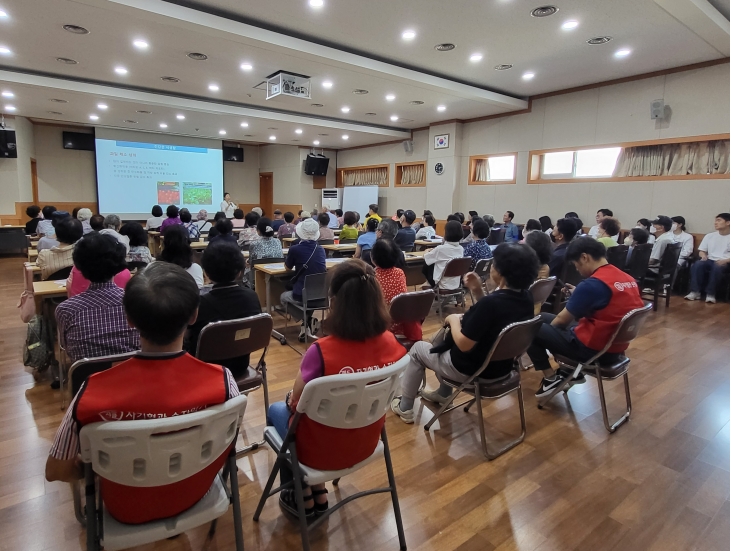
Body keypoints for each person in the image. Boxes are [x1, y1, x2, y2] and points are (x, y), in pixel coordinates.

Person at [45, 262, 241, 525]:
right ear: (194, 315)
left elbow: (56, 469)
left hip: (125, 508)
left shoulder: (93, 391)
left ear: (129, 319)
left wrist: (100, 465)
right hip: (197, 494)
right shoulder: (223, 380)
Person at [268, 259, 405, 516]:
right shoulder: (393, 344)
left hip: (318, 449)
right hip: (367, 441)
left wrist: (289, 401)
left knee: (275, 410)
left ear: (333, 302)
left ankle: (300, 493)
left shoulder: (321, 351)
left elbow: (296, 401)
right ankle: (316, 487)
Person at [391, 243, 538, 423]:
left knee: (417, 349)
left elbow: (464, 344)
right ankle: (444, 393)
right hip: (501, 369)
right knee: (437, 342)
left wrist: (453, 320)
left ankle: (405, 406)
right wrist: (477, 291)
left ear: (501, 272)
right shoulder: (526, 298)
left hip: (472, 370)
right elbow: (493, 316)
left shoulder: (491, 304)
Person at [527, 237, 643, 398]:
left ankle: (551, 377)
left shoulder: (592, 285)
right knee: (543, 316)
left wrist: (547, 336)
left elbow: (561, 321)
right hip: (614, 348)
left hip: (592, 352)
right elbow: (610, 307)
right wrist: (578, 297)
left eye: (576, 265)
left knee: (530, 325)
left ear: (584, 257)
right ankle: (570, 372)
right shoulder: (627, 278)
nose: (578, 270)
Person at [56, 232, 140, 363]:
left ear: (78, 265)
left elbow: (66, 347)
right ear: (119, 264)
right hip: (131, 377)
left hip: (87, 379)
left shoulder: (66, 309)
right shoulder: (137, 302)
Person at [185, 241, 262, 377]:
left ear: (206, 273)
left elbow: (186, 337)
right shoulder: (252, 296)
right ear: (239, 272)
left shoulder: (199, 304)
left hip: (204, 369)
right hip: (240, 365)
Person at [281, 218, 327, 342]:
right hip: (321, 295)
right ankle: (307, 323)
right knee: (309, 296)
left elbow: (287, 268)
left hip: (302, 293)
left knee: (283, 297)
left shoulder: (295, 249)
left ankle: (306, 321)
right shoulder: (321, 249)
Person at [371, 239, 422, 341]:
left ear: (373, 258)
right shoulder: (400, 273)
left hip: (379, 328)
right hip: (402, 325)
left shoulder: (371, 277)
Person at [685, 213, 730, 303]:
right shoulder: (710, 236)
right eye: (715, 220)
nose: (715, 223)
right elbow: (702, 250)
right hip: (710, 260)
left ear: (728, 222)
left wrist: (725, 260)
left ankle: (710, 294)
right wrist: (703, 255)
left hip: (726, 261)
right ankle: (695, 291)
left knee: (717, 267)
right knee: (698, 264)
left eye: (719, 220)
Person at [423, 220, 464, 289]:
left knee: (426, 266)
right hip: (456, 283)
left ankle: (430, 286)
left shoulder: (440, 249)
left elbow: (426, 258)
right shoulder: (461, 249)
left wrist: (426, 251)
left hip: (442, 284)